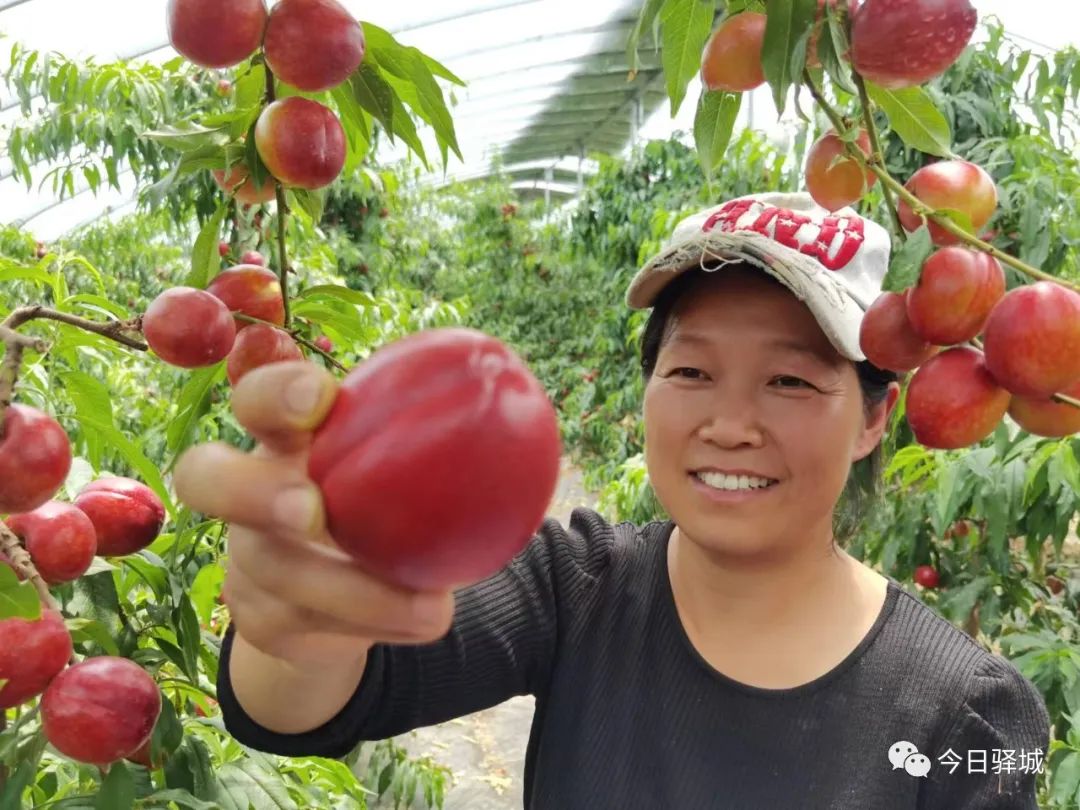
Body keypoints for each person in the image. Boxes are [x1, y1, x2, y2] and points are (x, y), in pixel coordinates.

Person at [175, 192, 1050, 809]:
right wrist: (301, 611)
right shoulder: (576, 589)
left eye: (789, 380)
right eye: (692, 371)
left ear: (872, 419)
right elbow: (306, 701)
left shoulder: (968, 712)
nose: (730, 423)